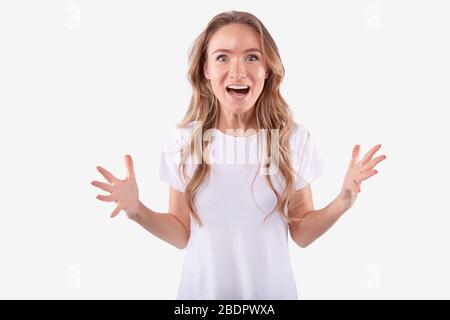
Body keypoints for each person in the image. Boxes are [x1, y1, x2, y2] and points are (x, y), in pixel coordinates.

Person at [91, 11, 387, 300]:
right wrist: (137, 210)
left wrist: (344, 199)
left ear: (267, 69)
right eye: (222, 57)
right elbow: (181, 233)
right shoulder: (184, 141)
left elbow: (302, 232)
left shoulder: (291, 139)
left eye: (252, 57)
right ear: (206, 70)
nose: (238, 71)